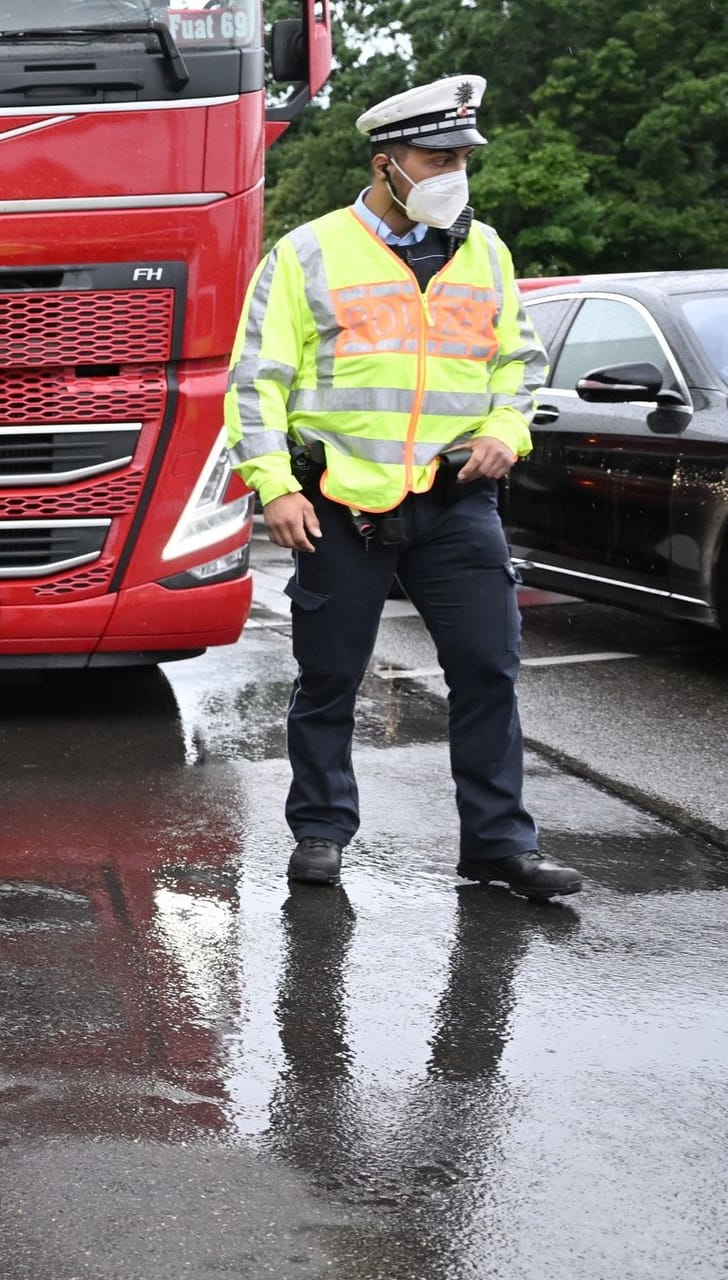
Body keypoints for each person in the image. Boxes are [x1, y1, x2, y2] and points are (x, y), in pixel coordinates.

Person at [222, 75, 583, 900]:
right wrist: (273, 486)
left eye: (464, 156)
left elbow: (518, 365)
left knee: (488, 671)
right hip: (342, 507)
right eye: (437, 155)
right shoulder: (309, 252)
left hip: (457, 502)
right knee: (329, 681)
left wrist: (505, 431)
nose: (455, 170)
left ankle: (498, 844)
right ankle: (320, 831)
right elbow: (256, 381)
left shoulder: (485, 250)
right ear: (387, 163)